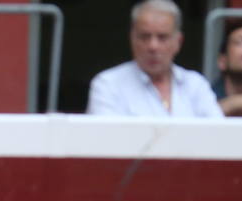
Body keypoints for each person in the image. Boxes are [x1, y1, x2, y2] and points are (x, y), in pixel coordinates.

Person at [87, 0, 223, 118]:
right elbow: (107, 141)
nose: (153, 46)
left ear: (178, 42)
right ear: (132, 39)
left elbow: (217, 135)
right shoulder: (108, 84)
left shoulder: (195, 84)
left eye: (162, 37)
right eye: (144, 37)